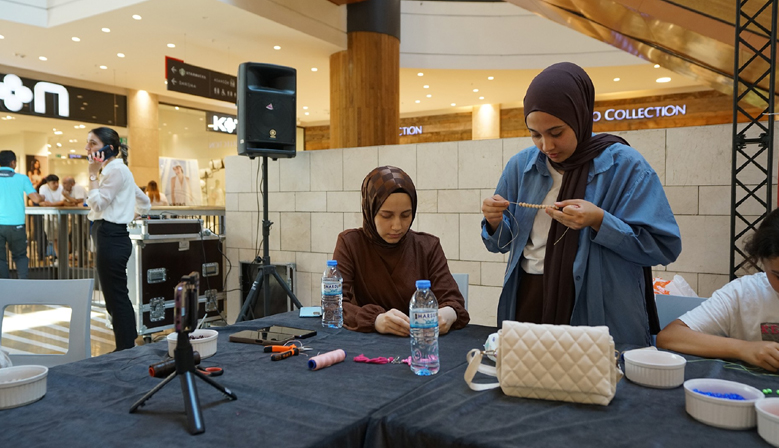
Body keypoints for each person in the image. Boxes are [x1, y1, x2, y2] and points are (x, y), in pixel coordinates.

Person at [480, 62, 681, 346]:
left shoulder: (625, 166)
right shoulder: (521, 166)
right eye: (535, 134)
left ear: (580, 116)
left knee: (596, 386)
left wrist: (600, 221)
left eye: (556, 132)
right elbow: (501, 244)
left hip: (601, 306)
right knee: (524, 383)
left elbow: (663, 245)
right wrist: (494, 221)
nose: (546, 145)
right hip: (529, 297)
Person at [333, 166, 470, 336]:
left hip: (421, 345)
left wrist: (448, 314)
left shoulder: (427, 246)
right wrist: (375, 320)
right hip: (367, 347)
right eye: (386, 215)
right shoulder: (350, 243)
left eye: (406, 215)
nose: (397, 226)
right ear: (370, 210)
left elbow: (453, 301)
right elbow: (334, 304)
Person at [657, 209, 779, 371]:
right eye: (778, 276)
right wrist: (744, 349)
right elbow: (670, 337)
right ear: (762, 262)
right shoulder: (743, 293)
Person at [86, 127, 151, 351]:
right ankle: (127, 343)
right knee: (116, 295)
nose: (88, 148)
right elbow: (145, 202)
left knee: (115, 296)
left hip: (111, 236)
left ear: (109, 148)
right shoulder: (118, 170)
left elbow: (97, 204)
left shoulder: (114, 171)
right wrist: (129, 215)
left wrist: (92, 174)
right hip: (112, 234)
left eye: (93, 143)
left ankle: (125, 347)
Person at [0, 150, 44, 278]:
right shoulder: (22, 178)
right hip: (16, 225)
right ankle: (22, 285)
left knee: (1, 259)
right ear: (13, 163)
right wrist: (42, 197)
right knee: (20, 257)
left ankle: (4, 289)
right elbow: (35, 199)